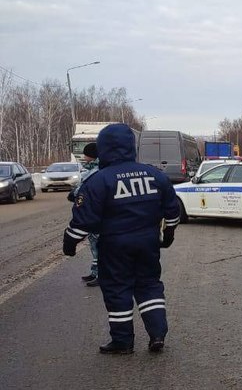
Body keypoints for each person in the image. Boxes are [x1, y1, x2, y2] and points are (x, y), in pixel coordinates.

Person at [62, 123, 181, 354]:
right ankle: (157, 334)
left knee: (118, 289)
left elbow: (84, 220)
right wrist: (169, 234)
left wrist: (70, 242)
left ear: (105, 149)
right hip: (148, 243)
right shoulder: (154, 175)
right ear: (131, 147)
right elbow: (172, 209)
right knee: (148, 285)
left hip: (115, 245)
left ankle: (123, 341)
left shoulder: (99, 181)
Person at [69, 143, 101, 287]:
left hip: (95, 212)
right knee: (94, 244)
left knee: (99, 245)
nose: (83, 157)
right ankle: (95, 272)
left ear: (92, 155)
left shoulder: (97, 169)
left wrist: (75, 193)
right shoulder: (89, 168)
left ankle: (101, 274)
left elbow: (87, 187)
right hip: (90, 211)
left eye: (86, 154)